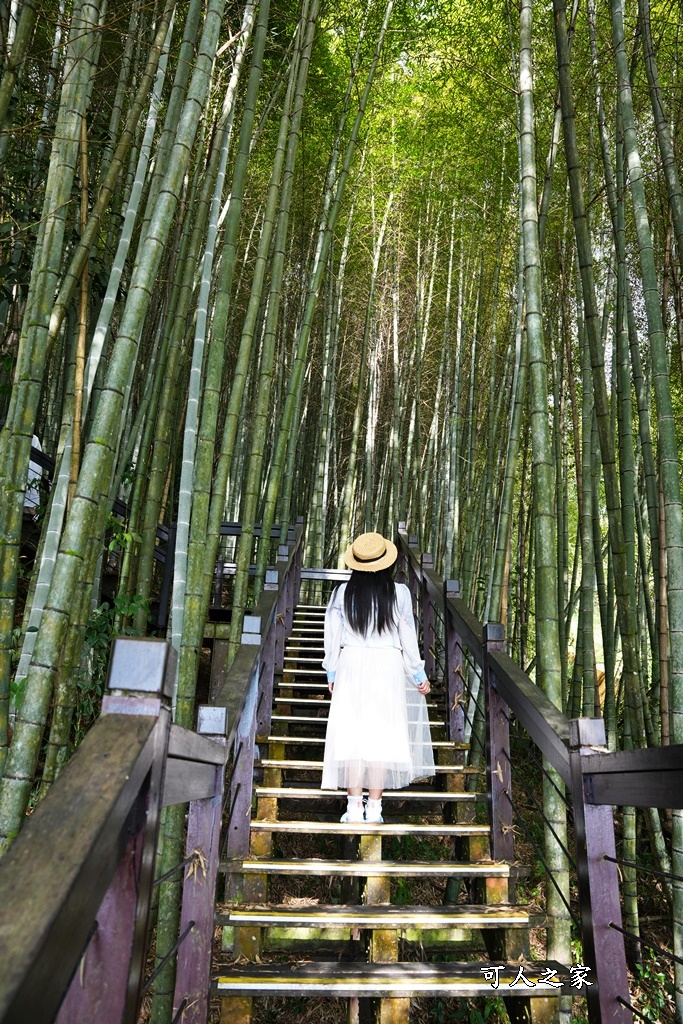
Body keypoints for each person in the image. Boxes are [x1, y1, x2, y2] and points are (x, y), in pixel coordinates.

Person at [321, 531, 435, 824]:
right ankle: (375, 809)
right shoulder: (399, 593)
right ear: (385, 563)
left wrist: (332, 670)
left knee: (353, 737)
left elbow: (332, 636)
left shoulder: (342, 594)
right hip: (387, 668)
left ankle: (353, 808)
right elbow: (408, 635)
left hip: (351, 663)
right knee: (381, 737)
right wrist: (417, 673)